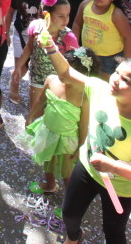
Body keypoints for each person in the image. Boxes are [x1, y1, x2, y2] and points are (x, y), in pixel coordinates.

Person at [43, 41, 131, 244]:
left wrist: (113, 166)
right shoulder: (100, 90)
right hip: (87, 169)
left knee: (113, 231)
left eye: (126, 80)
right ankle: (74, 237)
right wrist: (50, 47)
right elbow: (66, 74)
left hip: (119, 188)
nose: (116, 80)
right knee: (69, 214)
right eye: (117, 72)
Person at [24, 46, 93, 195]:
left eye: (68, 72)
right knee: (48, 162)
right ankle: (50, 184)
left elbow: (83, 124)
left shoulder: (84, 95)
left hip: (68, 140)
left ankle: (70, 202)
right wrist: (31, 116)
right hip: (48, 131)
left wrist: (81, 146)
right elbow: (40, 100)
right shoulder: (52, 80)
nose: (62, 73)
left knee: (67, 172)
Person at [14, 0, 79, 123]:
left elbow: (75, 63)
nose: (66, 20)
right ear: (46, 15)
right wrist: (18, 66)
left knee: (54, 113)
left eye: (67, 15)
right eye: (60, 16)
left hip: (59, 81)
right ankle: (33, 133)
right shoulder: (36, 27)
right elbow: (29, 48)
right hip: (37, 77)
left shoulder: (68, 37)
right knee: (35, 110)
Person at [73, 0, 131, 79]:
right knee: (86, 80)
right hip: (87, 53)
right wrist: (75, 45)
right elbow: (77, 24)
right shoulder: (85, 5)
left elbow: (128, 38)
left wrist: (125, 62)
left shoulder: (116, 14)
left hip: (109, 58)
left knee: (104, 85)